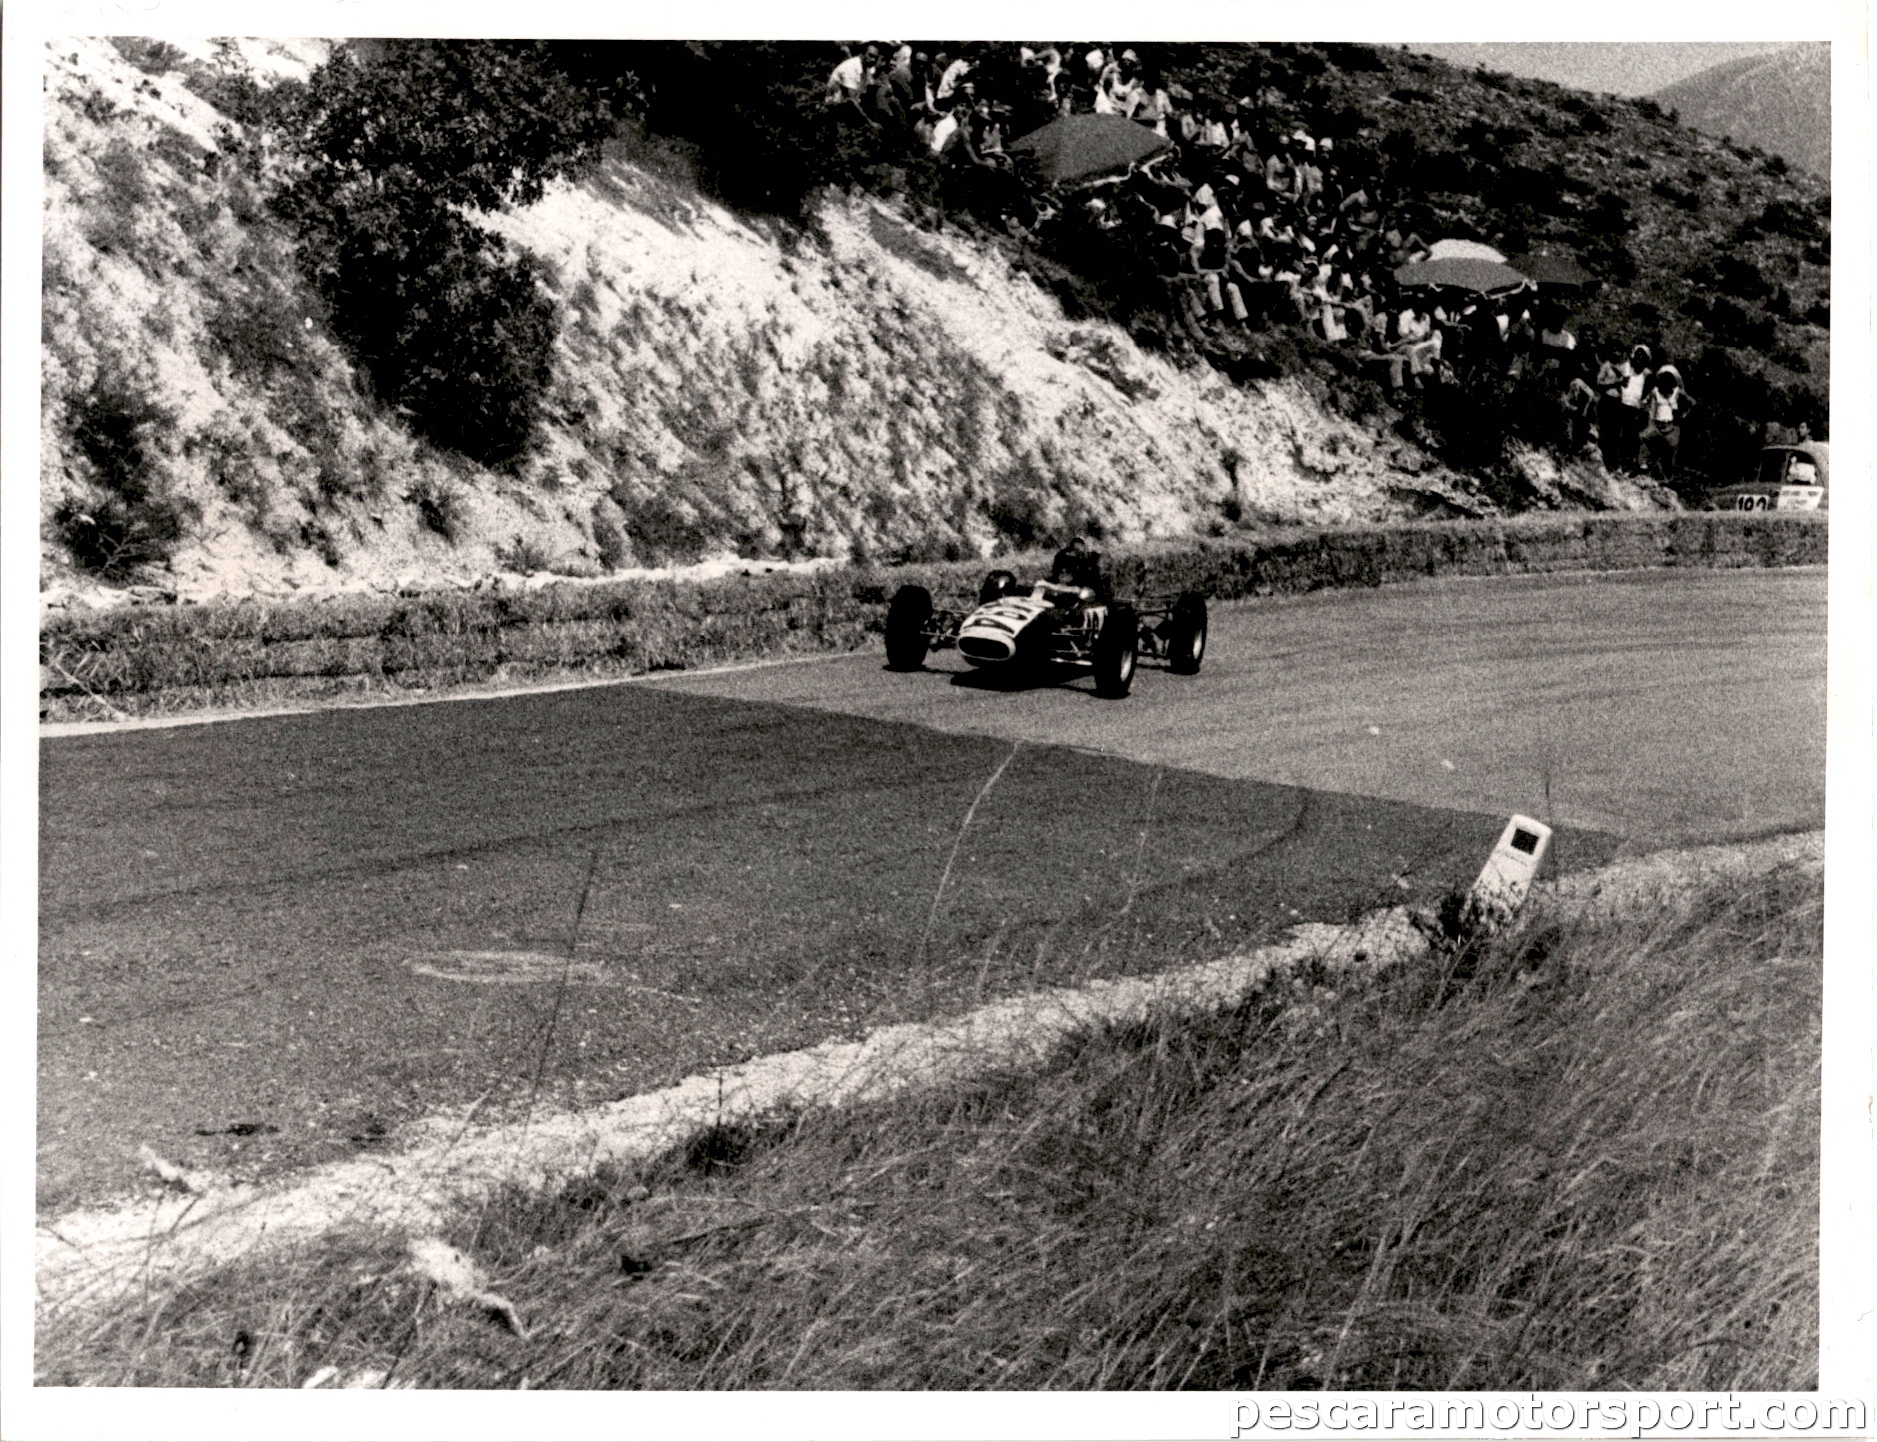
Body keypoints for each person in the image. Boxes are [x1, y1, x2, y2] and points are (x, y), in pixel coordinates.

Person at [1638, 364, 1695, 478]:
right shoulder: (1656, 391)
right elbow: (1646, 405)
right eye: (1664, 378)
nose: (1666, 381)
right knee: (1646, 439)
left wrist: (1683, 415)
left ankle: (1667, 476)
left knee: (1670, 450)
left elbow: (1691, 402)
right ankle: (1644, 465)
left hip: (1671, 426)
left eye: (1669, 378)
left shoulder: (1677, 392)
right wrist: (1647, 412)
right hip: (1657, 424)